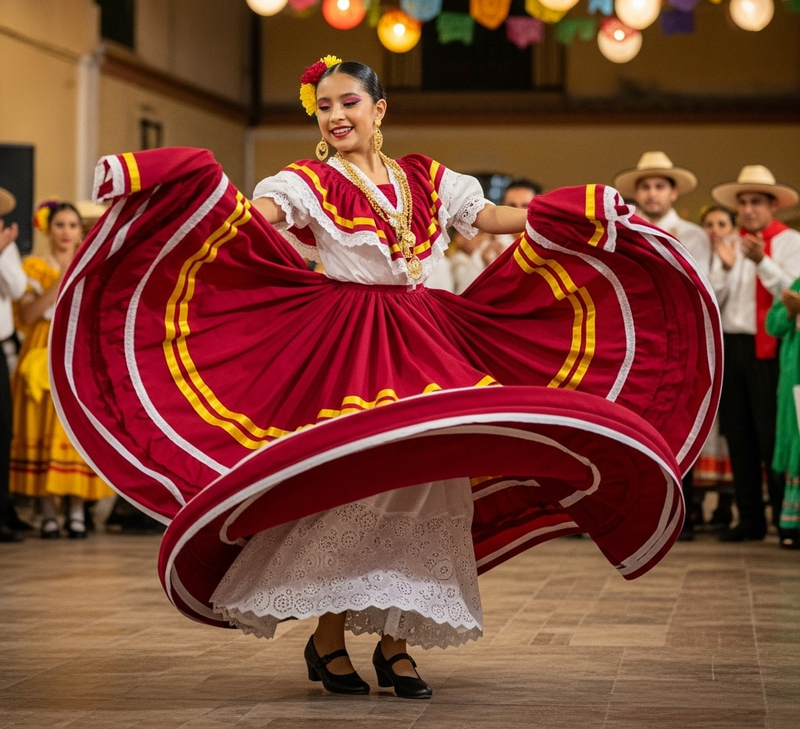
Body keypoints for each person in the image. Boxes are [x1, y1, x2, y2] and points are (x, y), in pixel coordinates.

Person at [48, 58, 720, 701]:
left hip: (426, 332)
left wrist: (562, 214)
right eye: (324, 107)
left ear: (379, 109)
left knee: (432, 479)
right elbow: (262, 220)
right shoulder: (307, 182)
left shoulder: (424, 177)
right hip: (350, 340)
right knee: (355, 483)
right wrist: (206, 216)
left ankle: (398, 641)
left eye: (349, 103)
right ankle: (330, 635)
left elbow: (485, 218)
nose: (337, 116)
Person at [614, 151, 710, 540]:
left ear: (673, 194)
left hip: (683, 335)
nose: (652, 194)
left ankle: (682, 510)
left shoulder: (694, 234)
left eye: (659, 186)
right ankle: (640, 510)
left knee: (678, 417)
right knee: (638, 417)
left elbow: (696, 283)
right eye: (646, 187)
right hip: (640, 338)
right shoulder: (625, 230)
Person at [8, 201, 115, 539]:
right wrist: (61, 282)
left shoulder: (92, 265)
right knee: (45, 425)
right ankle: (50, 510)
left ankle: (77, 509)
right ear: (47, 229)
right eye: (60, 225)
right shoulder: (35, 267)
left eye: (72, 225)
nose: (66, 232)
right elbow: (26, 315)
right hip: (43, 350)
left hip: (79, 351)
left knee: (78, 428)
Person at [710, 165, 800, 542]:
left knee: (771, 434)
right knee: (739, 434)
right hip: (733, 344)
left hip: (771, 346)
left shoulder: (790, 241)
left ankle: (785, 518)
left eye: (756, 202)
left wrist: (762, 260)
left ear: (773, 205)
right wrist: (728, 267)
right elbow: (713, 296)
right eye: (743, 203)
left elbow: (792, 294)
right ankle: (748, 519)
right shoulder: (729, 241)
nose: (748, 210)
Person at [692, 205, 737, 529]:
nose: (715, 230)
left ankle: (726, 501)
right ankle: (700, 501)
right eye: (708, 224)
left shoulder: (737, 256)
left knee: (728, 431)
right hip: (703, 349)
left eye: (722, 223)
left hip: (731, 346)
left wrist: (726, 265)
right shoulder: (700, 252)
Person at [453, 178, 541, 293]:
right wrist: (491, 268)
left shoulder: (546, 245)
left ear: (537, 208)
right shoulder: (488, 248)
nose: (518, 212)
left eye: (525, 205)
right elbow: (465, 292)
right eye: (512, 206)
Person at [0, 187, 27, 542]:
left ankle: (4, 508)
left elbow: (18, 290)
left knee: (4, 430)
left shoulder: (6, 246)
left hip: (1, 344)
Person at [765, 278, 800, 549]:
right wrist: (790, 311)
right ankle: (792, 523)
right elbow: (773, 325)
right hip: (794, 377)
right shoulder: (798, 283)